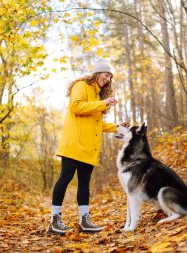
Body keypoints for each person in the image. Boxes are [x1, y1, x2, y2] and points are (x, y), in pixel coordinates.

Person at [48, 60, 128, 235]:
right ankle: (55, 221)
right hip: (75, 143)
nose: (108, 79)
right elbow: (76, 107)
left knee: (84, 183)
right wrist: (103, 103)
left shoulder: (98, 95)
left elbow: (96, 123)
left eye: (110, 77)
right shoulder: (81, 85)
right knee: (65, 178)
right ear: (97, 73)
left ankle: (84, 221)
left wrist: (117, 126)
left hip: (89, 146)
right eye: (106, 75)